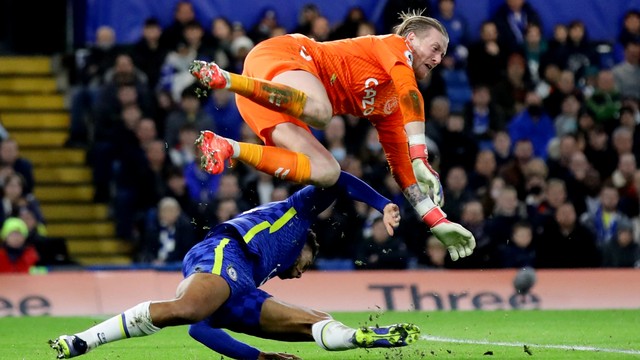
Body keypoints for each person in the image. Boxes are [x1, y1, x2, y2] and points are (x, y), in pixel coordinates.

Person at [189, 10, 475, 261]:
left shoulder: (388, 106)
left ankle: (228, 147)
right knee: (322, 114)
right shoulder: (394, 46)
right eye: (435, 48)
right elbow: (410, 93)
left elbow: (401, 169)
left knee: (327, 171)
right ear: (411, 39)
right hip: (282, 57)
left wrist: (437, 222)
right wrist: (421, 158)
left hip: (269, 99)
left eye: (443, 55)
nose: (438, 59)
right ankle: (226, 79)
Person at [50, 171, 419, 359]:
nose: (304, 270)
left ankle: (357, 338)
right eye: (308, 260)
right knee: (188, 308)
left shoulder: (265, 271)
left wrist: (258, 357)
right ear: (305, 245)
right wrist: (381, 203)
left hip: (243, 282)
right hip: (226, 251)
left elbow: (201, 332)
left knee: (315, 322)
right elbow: (336, 180)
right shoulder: (297, 213)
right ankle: (83, 340)